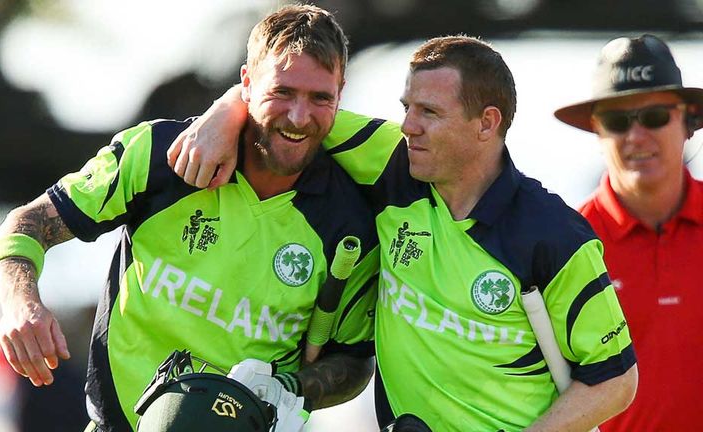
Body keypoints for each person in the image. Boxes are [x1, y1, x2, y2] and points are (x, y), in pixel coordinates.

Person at [167, 35, 639, 431]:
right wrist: (226, 110)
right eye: (406, 107)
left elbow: (616, 380)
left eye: (429, 112)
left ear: (487, 123)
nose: (408, 126)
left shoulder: (553, 234)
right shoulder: (394, 163)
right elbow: (292, 109)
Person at [0, 5, 381, 431]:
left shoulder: (351, 224)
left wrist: (289, 388)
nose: (299, 117)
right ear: (247, 83)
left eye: (320, 98)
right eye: (282, 92)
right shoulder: (158, 155)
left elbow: (354, 360)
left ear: (341, 94)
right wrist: (21, 305)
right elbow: (28, 224)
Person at [554, 34, 703, 431]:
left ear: (688, 121)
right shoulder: (564, 244)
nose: (636, 136)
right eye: (617, 122)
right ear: (597, 130)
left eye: (655, 116)